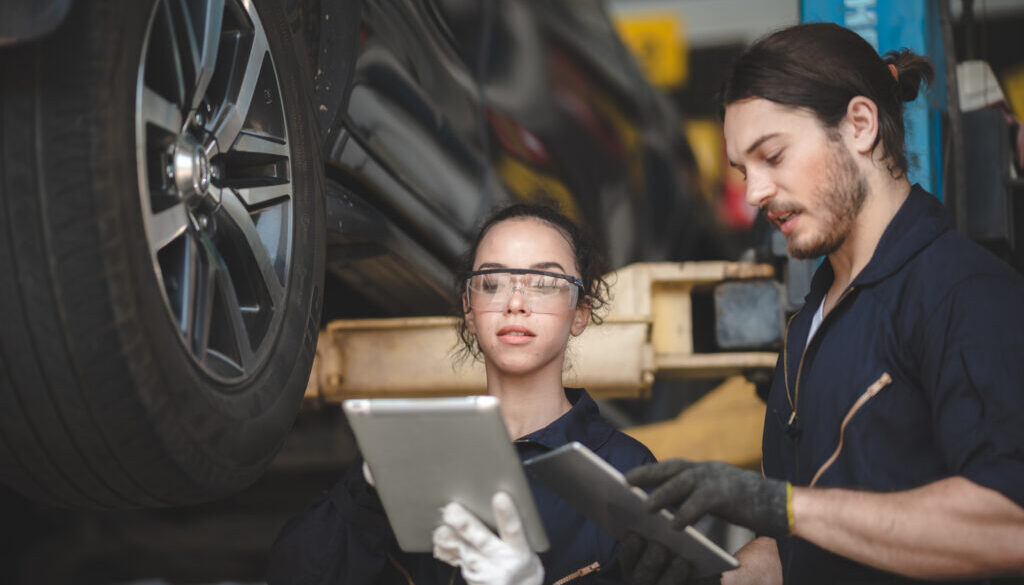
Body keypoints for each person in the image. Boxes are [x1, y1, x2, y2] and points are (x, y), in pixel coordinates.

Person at [619, 22, 1024, 585]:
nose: (755, 192)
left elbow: (1009, 523)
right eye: (743, 170)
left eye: (773, 155)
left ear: (860, 125)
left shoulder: (965, 294)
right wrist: (716, 569)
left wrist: (783, 506)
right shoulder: (810, 322)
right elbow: (803, 549)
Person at [267, 203, 655, 585]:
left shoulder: (626, 470)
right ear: (470, 309)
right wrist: (367, 492)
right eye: (492, 283)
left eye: (544, 284)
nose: (515, 303)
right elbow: (293, 575)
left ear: (580, 313)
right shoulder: (414, 447)